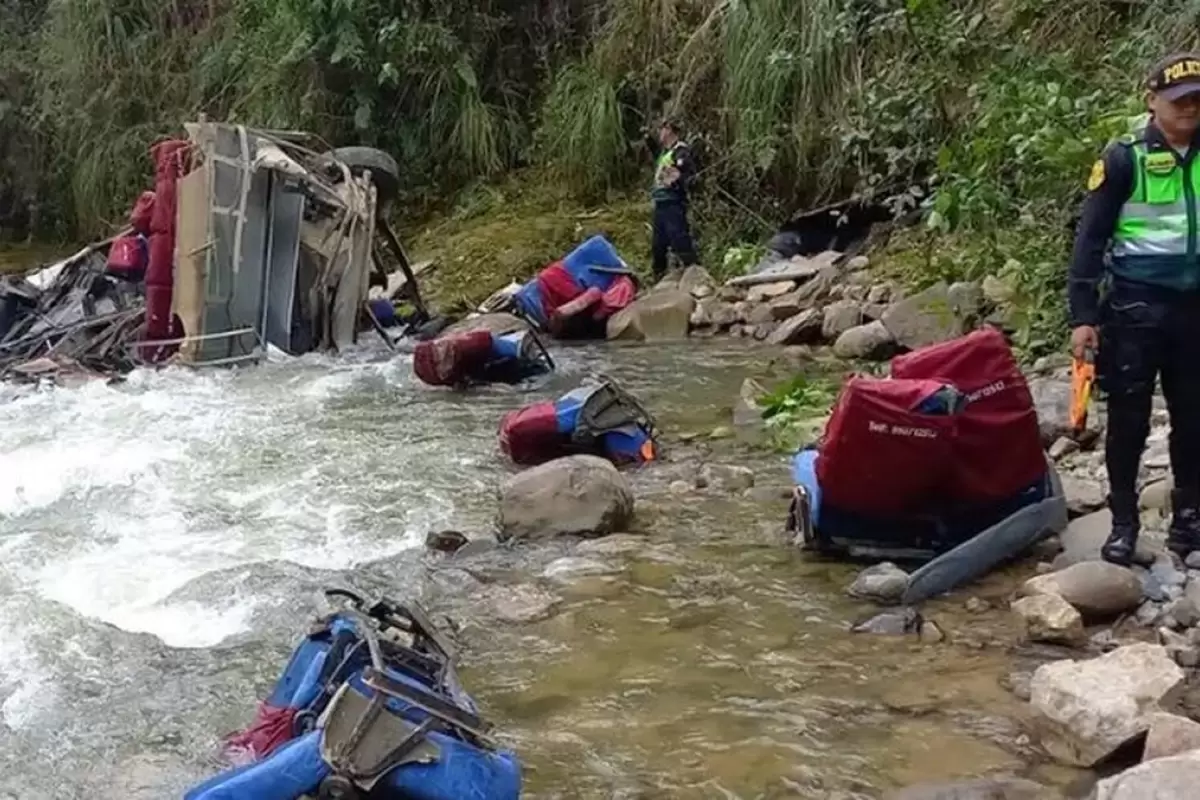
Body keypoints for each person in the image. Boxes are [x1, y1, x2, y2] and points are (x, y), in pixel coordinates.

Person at [1067, 52, 1200, 566]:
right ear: (1152, 102)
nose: (1189, 108)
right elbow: (1090, 240)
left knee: (1193, 417)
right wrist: (1082, 317)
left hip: (1195, 311)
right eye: (1178, 100)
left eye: (1196, 99)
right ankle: (1123, 523)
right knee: (1129, 419)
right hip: (1133, 307)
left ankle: (1188, 522)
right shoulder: (1125, 158)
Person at [646, 118, 699, 279]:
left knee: (679, 238)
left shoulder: (681, 152)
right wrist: (647, 138)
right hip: (661, 203)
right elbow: (655, 151)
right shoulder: (665, 152)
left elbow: (690, 176)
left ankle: (695, 273)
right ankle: (658, 277)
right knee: (658, 244)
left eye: (662, 129)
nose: (660, 133)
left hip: (673, 202)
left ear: (669, 130)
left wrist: (677, 178)